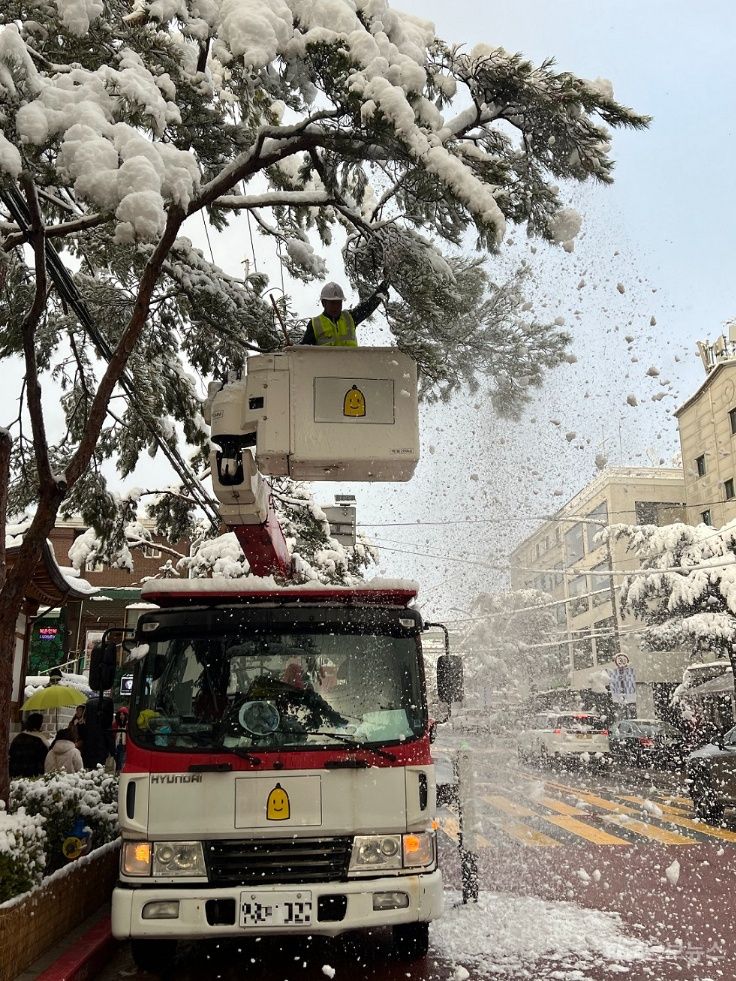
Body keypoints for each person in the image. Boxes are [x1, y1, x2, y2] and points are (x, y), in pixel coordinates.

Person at [300, 280, 389, 347]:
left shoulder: (350, 317)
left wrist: (383, 287)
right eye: (332, 303)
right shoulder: (315, 324)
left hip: (351, 369)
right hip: (327, 370)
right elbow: (305, 350)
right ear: (324, 303)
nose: (336, 307)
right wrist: (293, 350)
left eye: (339, 303)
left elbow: (368, 306)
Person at [9, 713, 49, 778]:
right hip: (32, 777)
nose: (43, 725)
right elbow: (44, 760)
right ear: (38, 724)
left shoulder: (18, 737)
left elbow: (11, 754)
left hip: (15, 775)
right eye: (42, 722)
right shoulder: (40, 741)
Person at [113, 707, 128, 773]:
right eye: (120, 715)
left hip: (123, 745)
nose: (121, 716)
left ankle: (119, 772)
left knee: (121, 759)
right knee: (117, 759)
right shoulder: (116, 724)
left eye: (123, 715)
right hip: (117, 744)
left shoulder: (128, 725)